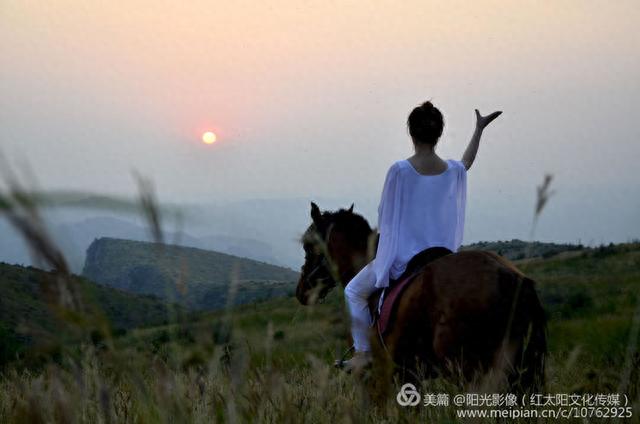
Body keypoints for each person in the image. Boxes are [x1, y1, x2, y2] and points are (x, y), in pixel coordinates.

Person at [341, 101, 502, 372]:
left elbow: (386, 214)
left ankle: (362, 354)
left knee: (353, 291)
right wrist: (478, 130)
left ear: (411, 133)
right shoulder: (452, 170)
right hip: (441, 256)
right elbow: (467, 163)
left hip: (406, 257)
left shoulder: (400, 170)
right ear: (439, 134)